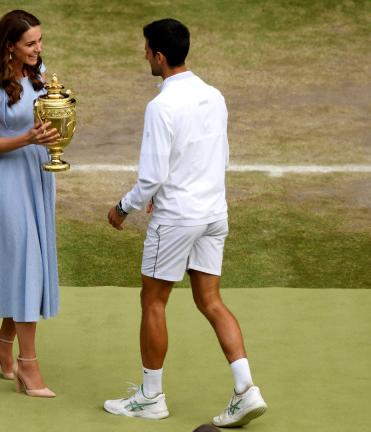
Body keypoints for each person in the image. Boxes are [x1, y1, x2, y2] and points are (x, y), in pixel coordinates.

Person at [103, 19, 268, 427]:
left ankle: (150, 397)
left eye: (146, 49)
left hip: (177, 219)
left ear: (159, 56)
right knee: (210, 300)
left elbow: (152, 177)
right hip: (214, 213)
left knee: (153, 299)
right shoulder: (214, 95)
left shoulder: (160, 106)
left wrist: (123, 207)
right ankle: (247, 390)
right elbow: (222, 156)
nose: (144, 55)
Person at [0, 9, 61, 398]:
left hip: (39, 180)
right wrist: (28, 139)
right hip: (10, 184)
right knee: (27, 266)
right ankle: (28, 365)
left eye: (39, 41)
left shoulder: (38, 73)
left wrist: (55, 137)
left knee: (27, 267)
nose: (38, 48)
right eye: (30, 43)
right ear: (10, 46)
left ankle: (2, 345)